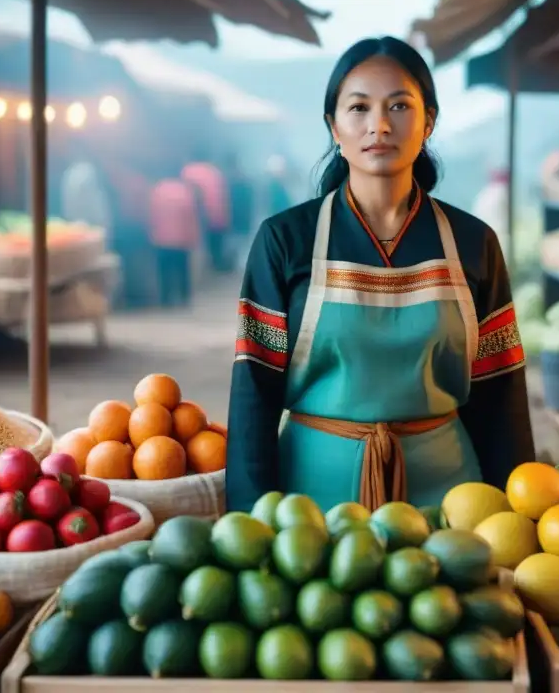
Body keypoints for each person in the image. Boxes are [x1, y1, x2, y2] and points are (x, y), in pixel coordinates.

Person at [226, 37, 535, 513]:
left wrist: (519, 520)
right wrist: (249, 526)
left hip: (452, 505)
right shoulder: (285, 240)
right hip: (308, 510)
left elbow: (502, 398)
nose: (380, 125)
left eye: (399, 105)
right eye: (359, 108)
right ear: (334, 126)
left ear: (428, 121)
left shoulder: (474, 244)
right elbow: (254, 397)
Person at [148, 176, 199, 307]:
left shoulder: (156, 191)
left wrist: (152, 234)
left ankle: (166, 298)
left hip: (161, 238)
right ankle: (184, 296)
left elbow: (151, 215)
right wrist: (193, 237)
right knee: (182, 270)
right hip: (181, 238)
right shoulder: (185, 192)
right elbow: (190, 216)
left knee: (164, 270)